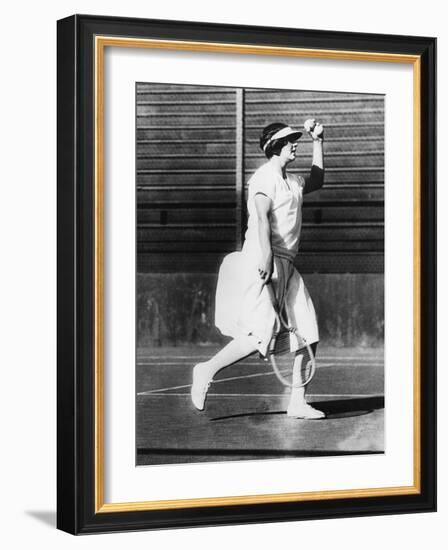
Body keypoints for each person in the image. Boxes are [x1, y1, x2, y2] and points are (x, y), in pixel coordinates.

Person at [191, 119, 325, 419]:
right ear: (275, 146)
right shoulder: (263, 178)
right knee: (258, 335)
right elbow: (263, 219)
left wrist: (319, 141)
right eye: (290, 140)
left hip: (288, 263)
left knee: (308, 331)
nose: (295, 144)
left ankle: (297, 402)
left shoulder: (293, 182)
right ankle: (206, 370)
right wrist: (266, 258)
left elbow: (317, 181)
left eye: (296, 139)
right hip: (262, 259)